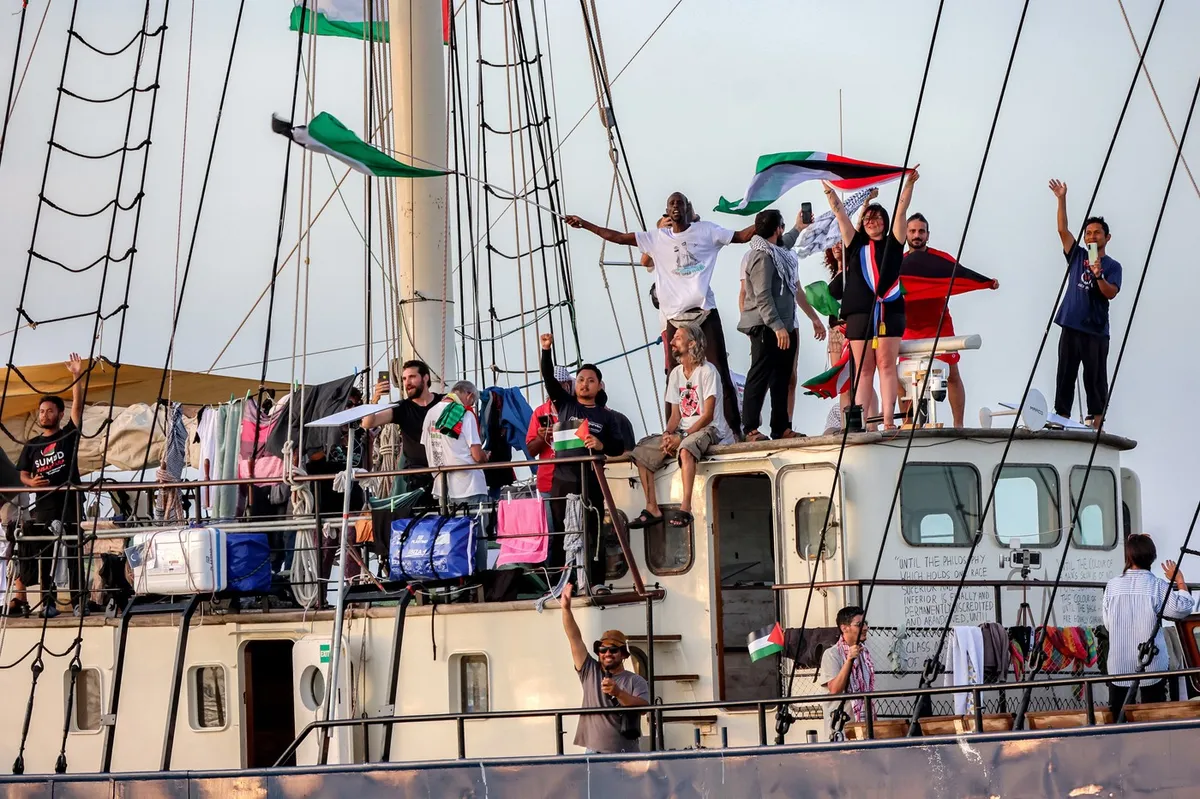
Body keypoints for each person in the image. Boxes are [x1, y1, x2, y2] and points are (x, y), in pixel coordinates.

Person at [564, 192, 754, 437]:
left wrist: (762, 223)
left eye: (680, 203)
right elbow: (619, 238)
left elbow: (739, 237)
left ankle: (736, 429)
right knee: (673, 376)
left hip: (703, 311)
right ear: (667, 210)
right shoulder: (657, 238)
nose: (676, 206)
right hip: (675, 317)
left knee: (719, 369)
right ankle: (670, 432)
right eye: (671, 203)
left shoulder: (706, 231)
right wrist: (585, 224)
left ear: (688, 210)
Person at [823, 168, 919, 429]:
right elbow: (840, 213)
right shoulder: (855, 244)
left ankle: (888, 420)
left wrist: (909, 184)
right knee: (864, 371)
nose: (871, 222)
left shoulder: (894, 242)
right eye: (867, 218)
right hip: (860, 315)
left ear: (884, 222)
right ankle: (863, 423)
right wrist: (828, 189)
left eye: (876, 218)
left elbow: (901, 210)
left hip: (890, 311)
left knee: (886, 366)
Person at [539, 332, 626, 590]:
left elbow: (618, 446)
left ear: (599, 386)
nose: (584, 384)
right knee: (561, 531)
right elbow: (548, 376)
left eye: (590, 380)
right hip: (562, 478)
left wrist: (601, 445)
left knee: (593, 530)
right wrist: (546, 350)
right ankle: (560, 583)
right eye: (580, 380)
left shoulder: (607, 416)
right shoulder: (564, 403)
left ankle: (595, 582)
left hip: (591, 479)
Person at [627, 325, 734, 530]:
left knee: (685, 449)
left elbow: (708, 415)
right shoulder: (676, 374)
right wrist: (668, 435)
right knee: (641, 452)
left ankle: (686, 508)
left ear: (691, 343)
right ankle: (652, 508)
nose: (671, 342)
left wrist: (682, 436)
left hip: (709, 429)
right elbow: (675, 414)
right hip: (682, 431)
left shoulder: (708, 371)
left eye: (677, 338)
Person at [902, 213, 1000, 427]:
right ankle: (909, 425)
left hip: (939, 324)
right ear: (906, 234)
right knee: (904, 379)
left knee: (952, 374)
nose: (917, 235)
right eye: (912, 231)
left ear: (928, 235)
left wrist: (985, 282)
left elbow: (962, 276)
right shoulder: (898, 263)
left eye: (921, 231)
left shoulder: (940, 259)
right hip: (909, 327)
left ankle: (958, 425)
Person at [738, 208, 826, 441]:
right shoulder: (762, 256)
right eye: (782, 226)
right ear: (777, 229)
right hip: (766, 326)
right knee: (760, 375)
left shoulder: (776, 251)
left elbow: (784, 243)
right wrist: (777, 326)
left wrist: (798, 228)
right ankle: (750, 428)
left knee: (782, 377)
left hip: (784, 325)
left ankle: (781, 427)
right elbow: (762, 295)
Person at [12, 353, 86, 618]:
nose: (45, 415)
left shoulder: (67, 436)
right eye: (42, 411)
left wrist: (76, 376)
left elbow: (78, 408)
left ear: (59, 414)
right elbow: (22, 474)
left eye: (50, 411)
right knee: (46, 553)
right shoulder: (32, 445)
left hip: (69, 501)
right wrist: (31, 481)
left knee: (74, 550)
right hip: (44, 504)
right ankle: (49, 602)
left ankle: (79, 601)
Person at [1048, 179, 1122, 428]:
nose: (1092, 236)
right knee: (1065, 375)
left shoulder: (1113, 266)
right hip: (1071, 324)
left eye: (1096, 233)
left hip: (1095, 330)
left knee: (1095, 379)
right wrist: (1061, 199)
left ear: (1106, 237)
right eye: (1088, 233)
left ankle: (1096, 423)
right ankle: (1061, 419)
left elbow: (1111, 293)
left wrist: (1099, 275)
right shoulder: (1078, 255)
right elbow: (1062, 230)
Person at [1102, 533, 1194, 716]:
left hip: (1119, 664)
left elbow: (1108, 624)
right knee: (1153, 715)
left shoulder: (1112, 586)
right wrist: (1179, 580)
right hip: (1152, 664)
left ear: (1128, 557)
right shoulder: (1157, 586)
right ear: (1152, 557)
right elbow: (1183, 608)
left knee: (1118, 715)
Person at [560, 581, 649, 754]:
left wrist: (618, 693)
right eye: (603, 649)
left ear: (623, 654)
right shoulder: (589, 671)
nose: (607, 653)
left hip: (627, 754)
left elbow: (644, 708)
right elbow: (574, 639)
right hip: (594, 753)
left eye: (613, 650)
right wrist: (566, 609)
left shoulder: (635, 680)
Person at [362, 360, 444, 494]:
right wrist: (375, 399)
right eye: (404, 379)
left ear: (425, 378)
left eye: (412, 377)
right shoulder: (402, 408)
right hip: (417, 476)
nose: (407, 382)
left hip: (445, 471)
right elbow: (368, 423)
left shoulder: (444, 402)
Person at [420, 381, 489, 505]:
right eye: (472, 402)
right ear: (470, 395)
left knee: (447, 518)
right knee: (474, 518)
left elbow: (427, 445)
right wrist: (485, 456)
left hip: (442, 487)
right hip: (469, 486)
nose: (471, 405)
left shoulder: (430, 413)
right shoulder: (464, 413)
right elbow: (477, 456)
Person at [527, 365, 573, 523]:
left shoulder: (576, 409)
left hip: (573, 482)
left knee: (576, 529)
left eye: (559, 385)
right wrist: (541, 438)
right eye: (551, 385)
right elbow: (531, 451)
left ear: (568, 385)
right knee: (551, 532)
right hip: (547, 482)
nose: (555, 389)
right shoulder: (540, 412)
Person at [819, 605, 876, 731]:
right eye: (859, 624)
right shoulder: (832, 654)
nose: (865, 628)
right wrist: (849, 660)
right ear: (844, 628)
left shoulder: (864, 653)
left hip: (864, 724)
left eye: (865, 623)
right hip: (841, 727)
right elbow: (835, 689)